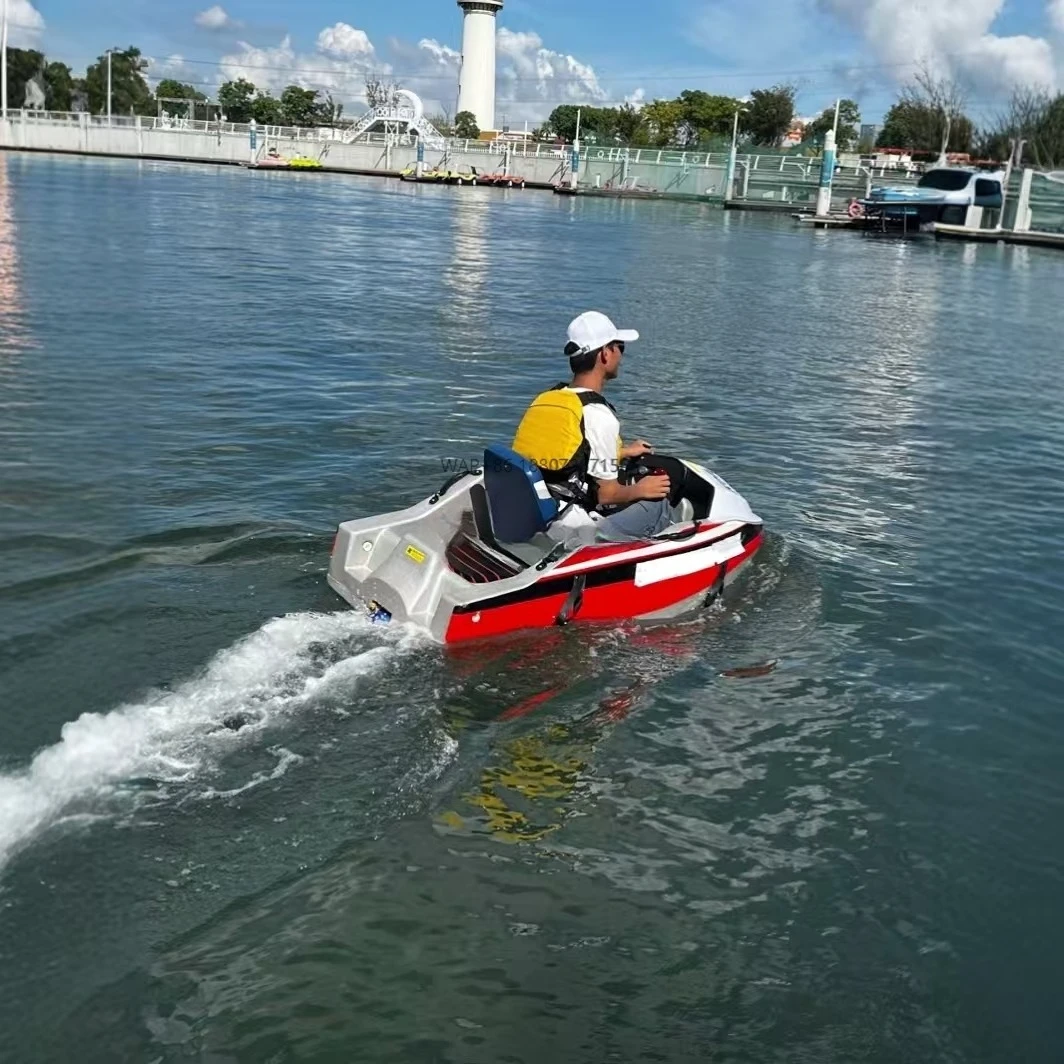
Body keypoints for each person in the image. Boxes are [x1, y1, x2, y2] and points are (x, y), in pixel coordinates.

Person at [511, 311, 673, 544]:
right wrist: (641, 489)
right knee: (659, 503)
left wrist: (623, 452)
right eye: (620, 347)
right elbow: (607, 494)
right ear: (605, 354)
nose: (621, 355)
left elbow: (564, 454)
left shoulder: (549, 398)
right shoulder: (598, 414)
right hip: (568, 527)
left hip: (534, 509)